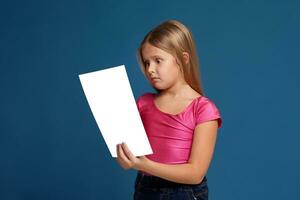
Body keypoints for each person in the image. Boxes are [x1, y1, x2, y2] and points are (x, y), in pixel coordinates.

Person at [116, 19, 222, 200]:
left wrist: (146, 165)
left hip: (184, 193)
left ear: (183, 59)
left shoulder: (203, 109)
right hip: (145, 189)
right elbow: (131, 153)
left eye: (158, 61)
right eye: (146, 62)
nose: (150, 69)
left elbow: (195, 173)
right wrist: (125, 158)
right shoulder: (143, 103)